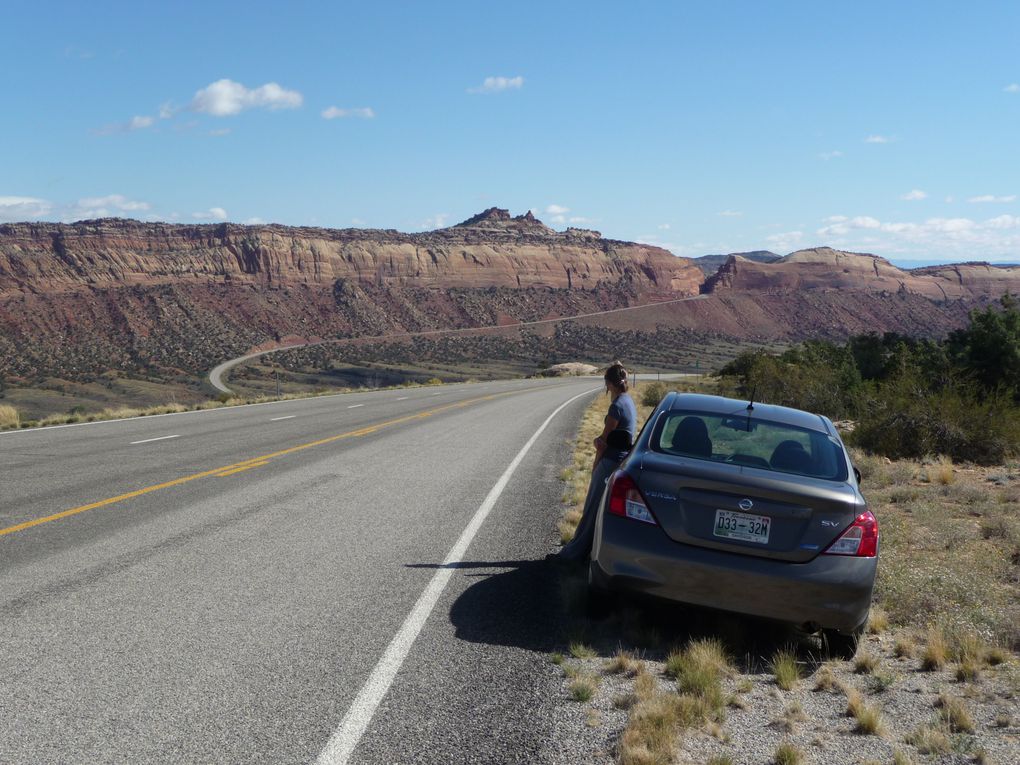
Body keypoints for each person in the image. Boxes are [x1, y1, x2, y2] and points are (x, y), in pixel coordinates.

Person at [558, 361, 637, 562]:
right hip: (622, 462)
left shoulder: (616, 407)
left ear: (608, 383)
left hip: (609, 461)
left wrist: (595, 465)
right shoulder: (628, 401)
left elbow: (603, 443)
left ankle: (574, 553)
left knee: (591, 508)